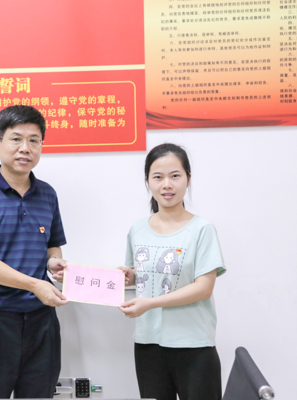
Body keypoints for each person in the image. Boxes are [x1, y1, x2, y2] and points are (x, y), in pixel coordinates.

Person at [0, 105, 68, 399]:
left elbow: (52, 246)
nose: (25, 148)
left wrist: (53, 262)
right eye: (16, 139)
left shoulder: (47, 194)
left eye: (34, 140)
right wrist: (34, 284)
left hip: (41, 321)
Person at [119, 143, 227, 400]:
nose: (167, 184)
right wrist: (130, 276)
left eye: (175, 175)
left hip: (193, 344)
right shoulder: (137, 229)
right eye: (158, 177)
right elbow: (141, 272)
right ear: (148, 181)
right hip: (148, 343)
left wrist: (150, 303)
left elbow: (203, 288)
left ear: (188, 179)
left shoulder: (202, 229)